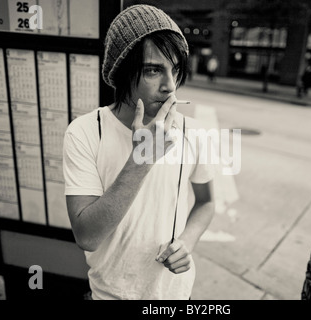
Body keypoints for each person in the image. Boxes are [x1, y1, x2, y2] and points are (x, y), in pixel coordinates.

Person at [62, 5, 215, 300]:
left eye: (176, 70)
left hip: (175, 295)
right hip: (109, 294)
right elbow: (87, 236)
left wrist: (188, 241)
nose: (170, 86)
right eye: (153, 70)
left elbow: (206, 202)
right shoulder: (84, 131)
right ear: (122, 72)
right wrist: (142, 158)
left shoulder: (193, 131)